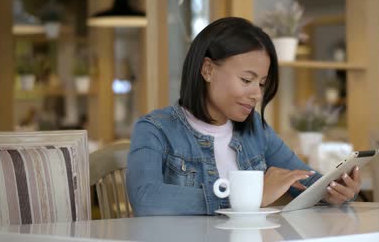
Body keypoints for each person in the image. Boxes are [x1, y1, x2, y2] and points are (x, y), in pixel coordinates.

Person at [126, 17, 361, 216]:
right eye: (246, 80)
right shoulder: (155, 129)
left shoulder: (255, 130)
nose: (257, 94)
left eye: (261, 83)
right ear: (207, 70)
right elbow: (145, 198)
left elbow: (305, 180)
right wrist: (246, 197)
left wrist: (336, 191)